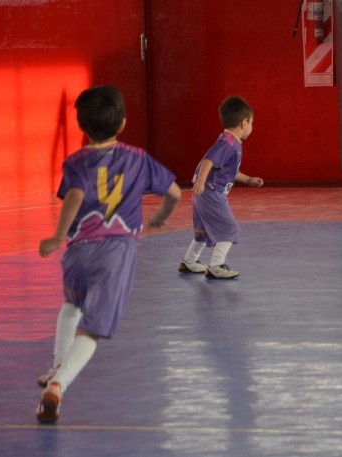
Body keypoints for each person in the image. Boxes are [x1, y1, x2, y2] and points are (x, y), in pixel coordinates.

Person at [36, 85, 181, 423]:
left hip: (77, 253)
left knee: (72, 304)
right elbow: (173, 192)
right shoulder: (138, 158)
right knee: (93, 330)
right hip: (115, 253)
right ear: (123, 124)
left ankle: (57, 362)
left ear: (82, 127)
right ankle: (58, 384)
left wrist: (58, 237)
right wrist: (159, 218)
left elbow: (73, 196)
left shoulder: (74, 162)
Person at [178, 96, 263, 279]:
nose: (251, 127)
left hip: (203, 194)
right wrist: (201, 182)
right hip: (211, 193)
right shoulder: (228, 143)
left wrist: (247, 179)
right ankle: (216, 266)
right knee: (229, 228)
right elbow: (209, 160)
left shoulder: (228, 142)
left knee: (202, 233)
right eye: (252, 123)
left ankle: (189, 261)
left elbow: (227, 170)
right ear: (244, 122)